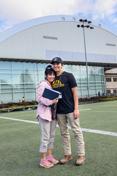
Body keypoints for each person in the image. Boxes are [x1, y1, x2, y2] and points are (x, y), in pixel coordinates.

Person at [51, 57, 85, 166]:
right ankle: (67, 155)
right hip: (59, 111)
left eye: (58, 64)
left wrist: (76, 108)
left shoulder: (69, 76)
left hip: (70, 109)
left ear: (62, 64)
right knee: (64, 133)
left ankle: (81, 155)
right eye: (54, 64)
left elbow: (75, 93)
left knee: (76, 132)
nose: (56, 66)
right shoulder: (52, 78)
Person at [36, 65, 59, 168]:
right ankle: (42, 160)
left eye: (53, 74)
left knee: (52, 137)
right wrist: (52, 101)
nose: (52, 76)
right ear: (46, 75)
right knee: (45, 138)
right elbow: (39, 98)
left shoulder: (51, 85)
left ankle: (49, 156)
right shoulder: (43, 84)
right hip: (44, 114)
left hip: (52, 114)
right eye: (50, 74)